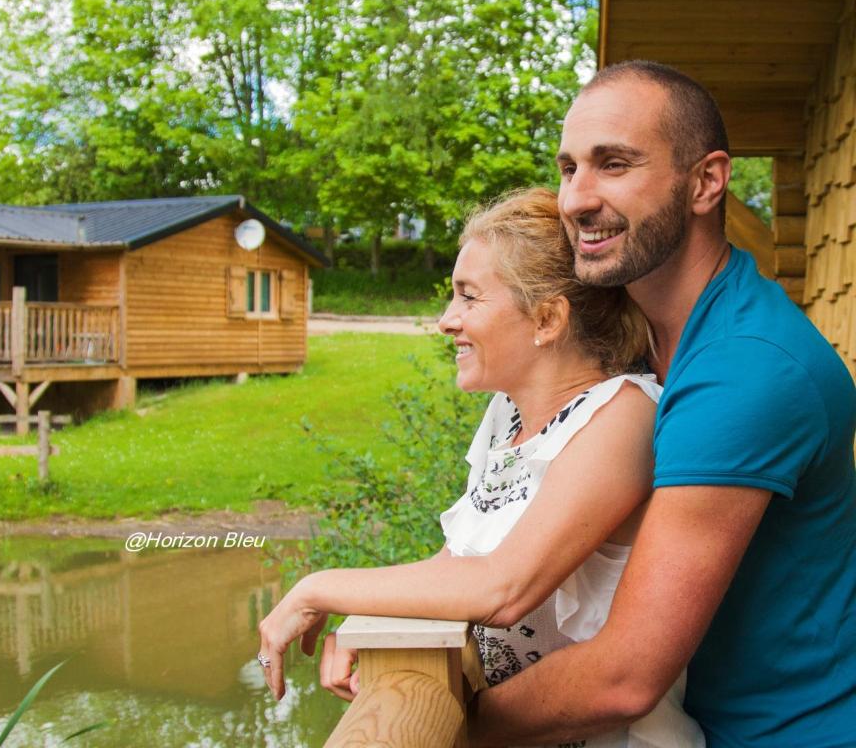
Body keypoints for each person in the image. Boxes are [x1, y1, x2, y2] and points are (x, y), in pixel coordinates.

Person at [455, 62, 855, 748]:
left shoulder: (746, 370)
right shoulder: (635, 346)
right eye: (568, 168)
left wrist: (456, 729)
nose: (576, 199)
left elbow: (625, 678)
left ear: (706, 182)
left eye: (613, 164)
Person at [257, 187, 706, 747]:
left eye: (469, 298)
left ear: (546, 318)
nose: (447, 321)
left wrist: (318, 590)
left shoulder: (622, 416)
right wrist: (371, 619)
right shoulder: (507, 414)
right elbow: (457, 565)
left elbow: (504, 587)